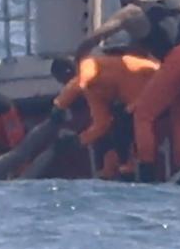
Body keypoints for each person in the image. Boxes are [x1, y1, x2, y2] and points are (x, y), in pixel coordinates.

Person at [76, 0, 180, 181]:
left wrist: (78, 57)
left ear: (125, 0)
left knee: (143, 114)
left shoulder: (130, 12)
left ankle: (146, 171)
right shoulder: (171, 2)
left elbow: (97, 36)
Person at [51, 51, 160, 180]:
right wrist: (79, 141)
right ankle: (126, 170)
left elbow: (83, 80)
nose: (64, 84)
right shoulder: (92, 90)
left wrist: (60, 104)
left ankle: (146, 167)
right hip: (134, 97)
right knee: (120, 127)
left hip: (153, 78)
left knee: (129, 121)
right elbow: (102, 124)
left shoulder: (89, 64)